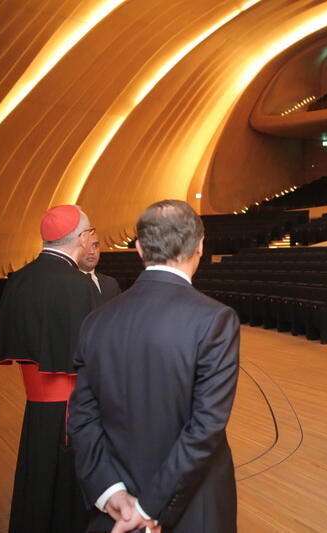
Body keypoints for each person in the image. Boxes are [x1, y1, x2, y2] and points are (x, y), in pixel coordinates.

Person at [69, 199, 240, 533]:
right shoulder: (215, 319)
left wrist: (110, 491)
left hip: (116, 503)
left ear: (138, 248)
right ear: (200, 246)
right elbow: (206, 425)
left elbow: (82, 418)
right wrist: (149, 506)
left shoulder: (97, 320)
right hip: (192, 506)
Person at [0, 204, 99, 533]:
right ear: (81, 238)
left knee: (36, 476)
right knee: (67, 490)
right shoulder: (79, 285)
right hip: (72, 409)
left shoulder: (19, 279)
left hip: (36, 405)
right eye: (90, 233)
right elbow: (95, 355)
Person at [78, 232, 121, 304]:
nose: (92, 252)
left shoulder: (111, 284)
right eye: (86, 246)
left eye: (95, 246)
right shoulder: (66, 284)